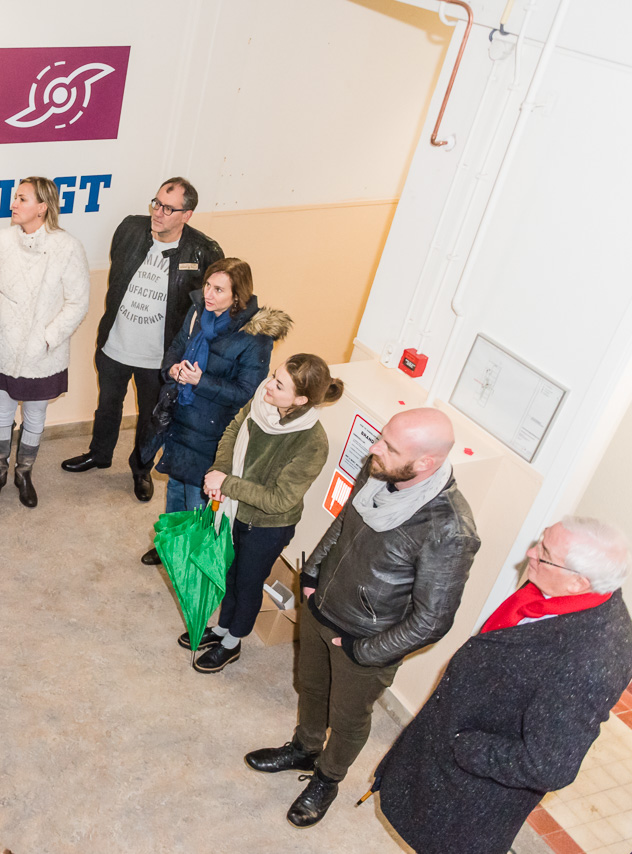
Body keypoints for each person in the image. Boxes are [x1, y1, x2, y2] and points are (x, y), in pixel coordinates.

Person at [244, 407, 481, 829]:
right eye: (380, 437)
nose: (374, 448)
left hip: (365, 642)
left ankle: (327, 778)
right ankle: (304, 748)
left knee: (348, 718)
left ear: (425, 463)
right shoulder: (381, 471)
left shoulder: (449, 529)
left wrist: (363, 650)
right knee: (310, 687)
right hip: (321, 608)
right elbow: (344, 523)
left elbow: (432, 620)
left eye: (389, 446)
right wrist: (310, 576)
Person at [370, 517, 632, 854]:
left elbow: (551, 766)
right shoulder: (557, 593)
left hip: (471, 790)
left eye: (544, 554)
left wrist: (466, 747)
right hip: (449, 741)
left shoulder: (591, 660)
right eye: (541, 541)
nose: (530, 553)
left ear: (578, 582)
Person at [60, 177, 223, 502]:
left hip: (159, 356)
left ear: (187, 214)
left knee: (151, 416)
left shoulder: (203, 251)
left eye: (168, 208)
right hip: (115, 344)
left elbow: (211, 303)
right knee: (107, 405)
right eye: (156, 203)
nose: (158, 212)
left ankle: (141, 469)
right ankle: (99, 453)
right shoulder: (130, 230)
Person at [180, 354, 344, 673]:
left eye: (279, 385)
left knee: (247, 583)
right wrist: (220, 471)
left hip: (267, 526)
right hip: (235, 510)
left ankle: (232, 643)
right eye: (273, 375)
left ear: (300, 400)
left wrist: (227, 483)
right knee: (229, 573)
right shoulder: (261, 402)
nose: (268, 385)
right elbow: (233, 430)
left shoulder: (312, 442)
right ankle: (222, 629)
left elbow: (280, 500)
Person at [141, 257, 290, 565]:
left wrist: (201, 381)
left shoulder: (255, 338)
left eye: (218, 289)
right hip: (181, 416)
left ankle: (191, 558)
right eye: (207, 285)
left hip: (212, 430)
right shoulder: (198, 312)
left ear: (237, 296)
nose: (208, 294)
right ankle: (170, 545)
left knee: (199, 496)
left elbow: (247, 393)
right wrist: (173, 368)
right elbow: (177, 346)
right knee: (175, 487)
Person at [0, 176, 90, 508]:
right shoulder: (2, 239)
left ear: (42, 207)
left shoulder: (67, 246)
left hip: (42, 353)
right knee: (1, 413)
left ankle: (24, 473)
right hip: (3, 345)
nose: (13, 204)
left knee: (35, 416)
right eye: (15, 197)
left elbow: (78, 302)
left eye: (22, 199)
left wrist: (47, 338)